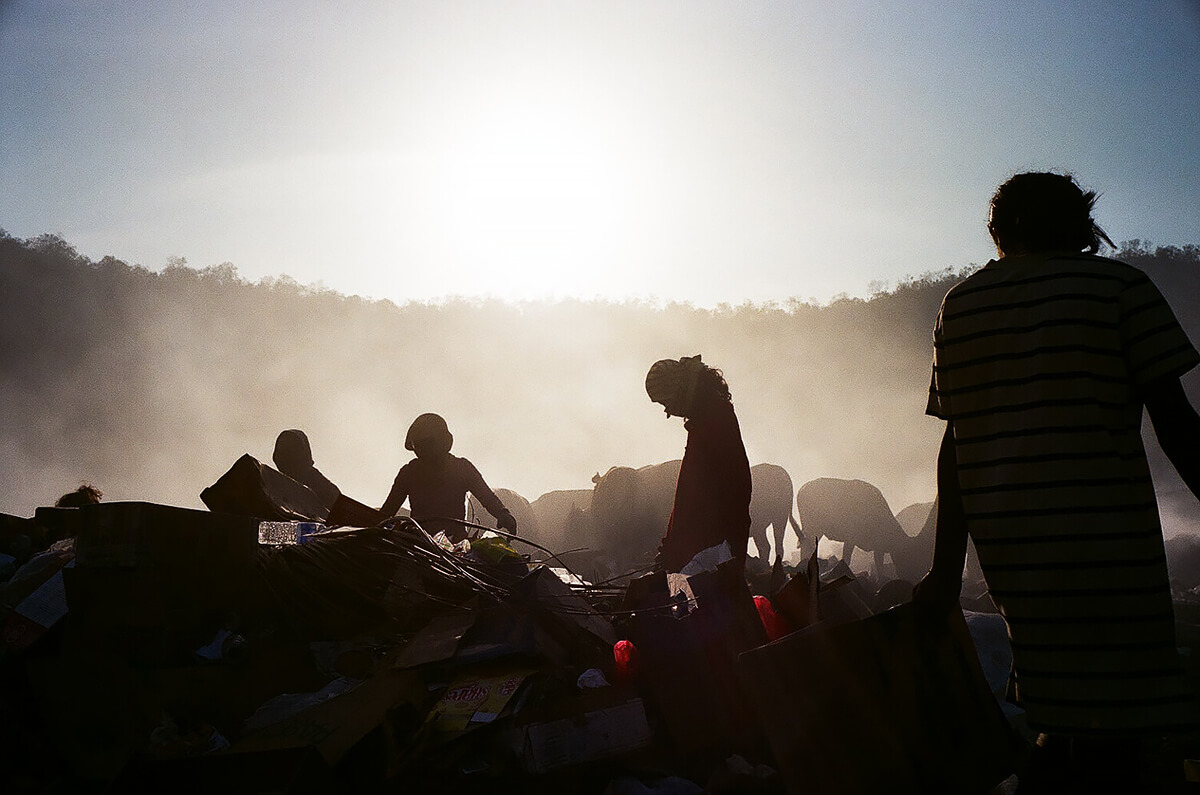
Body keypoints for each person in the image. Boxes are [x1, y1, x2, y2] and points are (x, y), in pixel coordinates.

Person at [917, 172, 1200, 792]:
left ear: (1000, 229)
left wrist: (944, 571)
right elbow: (1177, 425)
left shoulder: (959, 306)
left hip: (1017, 559)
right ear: (1082, 223)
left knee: (1058, 716)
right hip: (1109, 549)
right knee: (1118, 735)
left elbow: (953, 445)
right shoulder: (1121, 288)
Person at [645, 355, 752, 573]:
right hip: (705, 548)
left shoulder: (714, 421)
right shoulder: (705, 420)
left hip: (711, 550)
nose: (668, 412)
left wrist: (718, 546)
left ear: (677, 391)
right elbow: (688, 494)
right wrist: (670, 546)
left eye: (665, 402)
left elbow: (732, 487)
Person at [378, 413, 516, 542]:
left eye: (427, 444)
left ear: (442, 442)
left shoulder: (461, 468)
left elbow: (486, 497)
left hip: (455, 547)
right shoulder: (408, 473)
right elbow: (386, 512)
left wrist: (503, 514)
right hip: (419, 544)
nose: (422, 450)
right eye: (418, 446)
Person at [272, 429, 342, 512]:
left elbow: (341, 510)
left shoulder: (319, 483)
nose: (285, 456)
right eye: (281, 449)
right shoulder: (274, 483)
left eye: (291, 449)